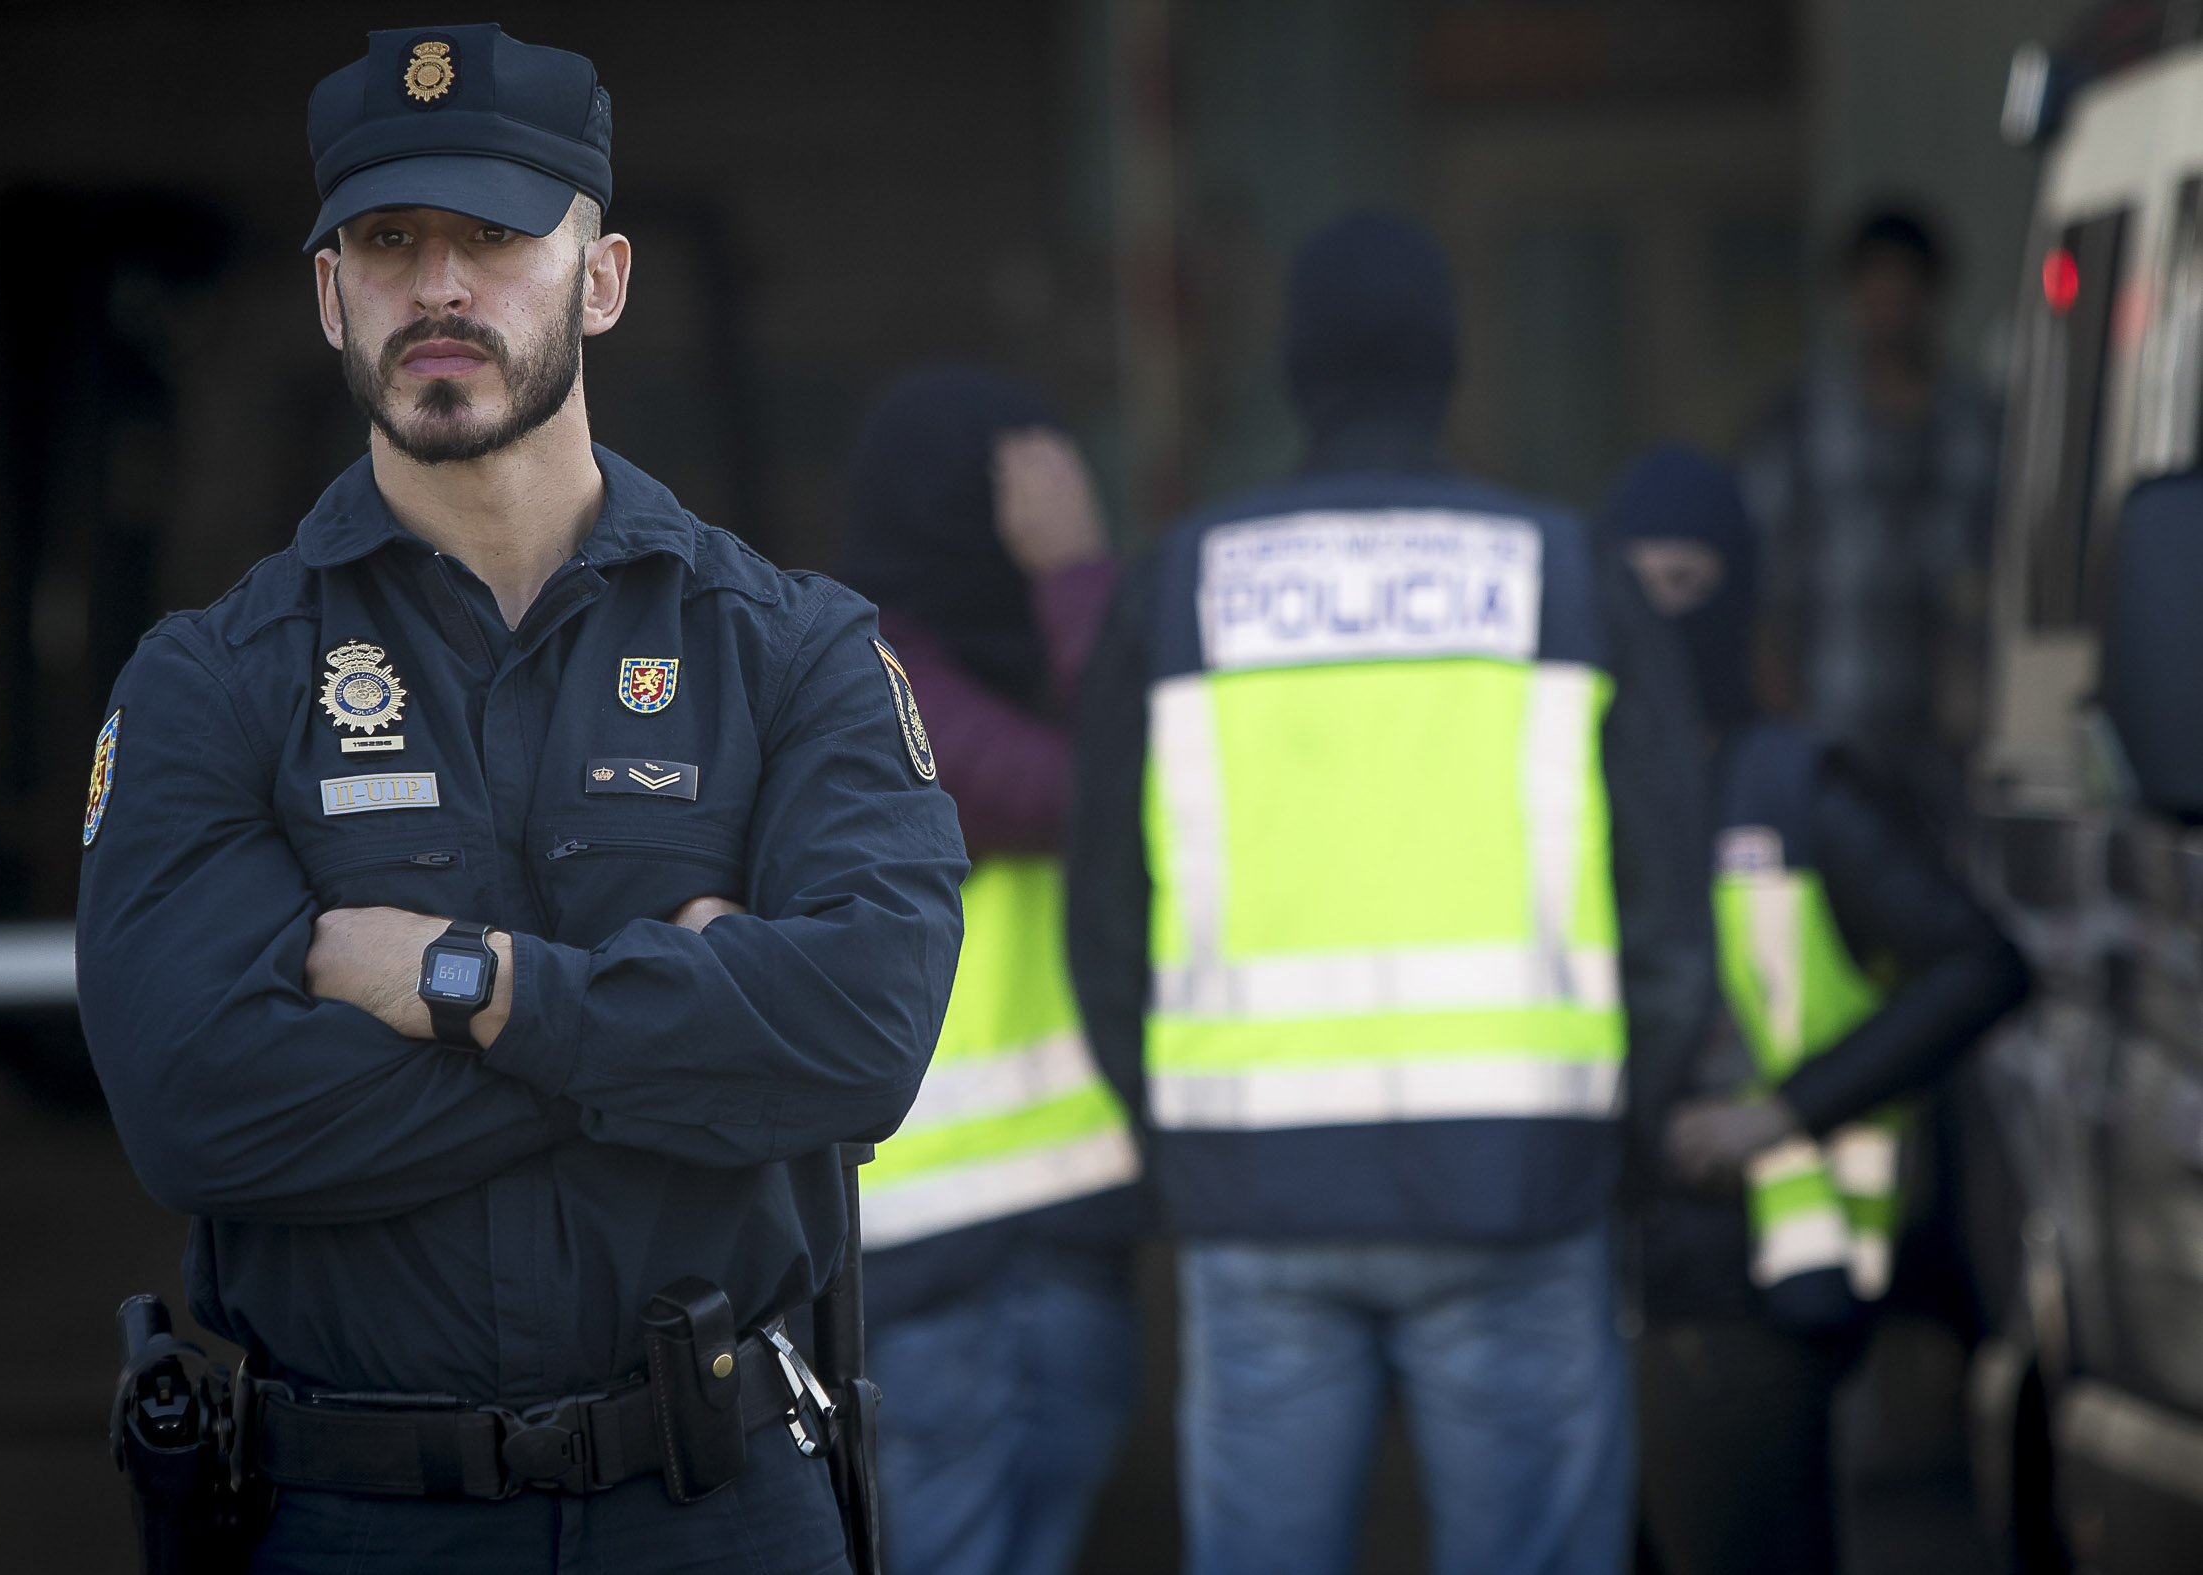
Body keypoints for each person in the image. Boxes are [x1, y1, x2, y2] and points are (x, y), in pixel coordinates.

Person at [74, 24, 966, 1573]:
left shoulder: (789, 649)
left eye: (493, 236)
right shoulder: (209, 680)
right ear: (330, 291)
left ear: (599, 278)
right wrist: (679, 1029)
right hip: (351, 1513)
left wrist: (465, 981)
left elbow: (866, 1035)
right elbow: (196, 1106)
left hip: (719, 1504)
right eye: (387, 240)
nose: (439, 286)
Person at [1066, 211, 1713, 1575]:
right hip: (1521, 1179)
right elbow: (1664, 906)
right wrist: (1624, 1138)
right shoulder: (1565, 571)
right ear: (1448, 364)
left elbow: (1104, 920)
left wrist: (1174, 1134)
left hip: (1255, 1187)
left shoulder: (1177, 586)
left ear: (1294, 368)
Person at [1606, 443, 2029, 1575]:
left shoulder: (1796, 787)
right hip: (1585, 1288)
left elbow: (1980, 966)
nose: (1658, 618)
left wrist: (1779, 1113)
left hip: (1749, 1293)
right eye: (1630, 588)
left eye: (1686, 585)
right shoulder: (1565, 785)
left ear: (1737, 597)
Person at [838, 366, 1144, 1575]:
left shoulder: (997, 671)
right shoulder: (872, 688)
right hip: (943, 1265)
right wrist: (1078, 578)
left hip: (1049, 1235)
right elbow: (1119, 793)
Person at [1738, 207, 1998, 858]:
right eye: (1875, 288)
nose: (1890, 308)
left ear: (1934, 297)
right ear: (1848, 298)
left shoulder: (1976, 418)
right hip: (1830, 727)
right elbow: (1753, 567)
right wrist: (1778, 708)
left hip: (1952, 751)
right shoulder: (1797, 418)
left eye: (1905, 289)